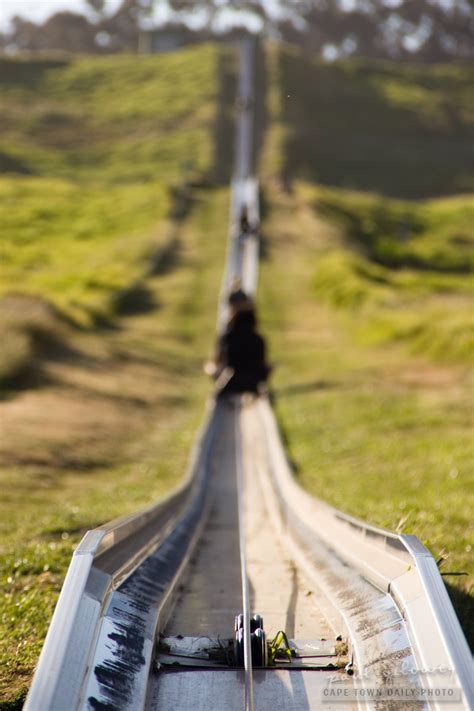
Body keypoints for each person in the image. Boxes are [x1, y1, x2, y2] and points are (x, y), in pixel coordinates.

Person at [215, 301, 271, 396]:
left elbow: (221, 360)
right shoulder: (258, 339)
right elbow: (261, 363)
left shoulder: (227, 337)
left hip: (231, 380)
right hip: (253, 381)